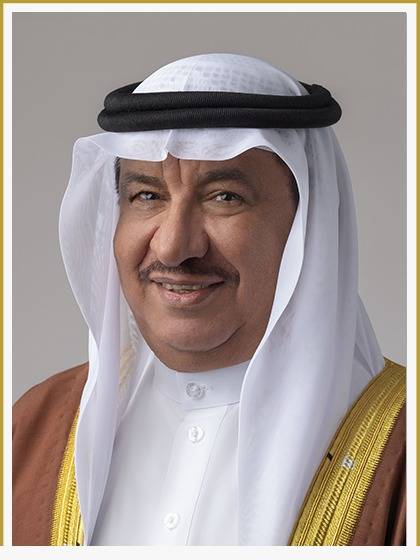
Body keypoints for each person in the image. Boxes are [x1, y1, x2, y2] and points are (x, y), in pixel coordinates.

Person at [13, 53, 406, 546]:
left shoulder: (402, 453)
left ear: (308, 225)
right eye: (147, 196)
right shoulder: (34, 429)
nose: (174, 247)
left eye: (224, 197)